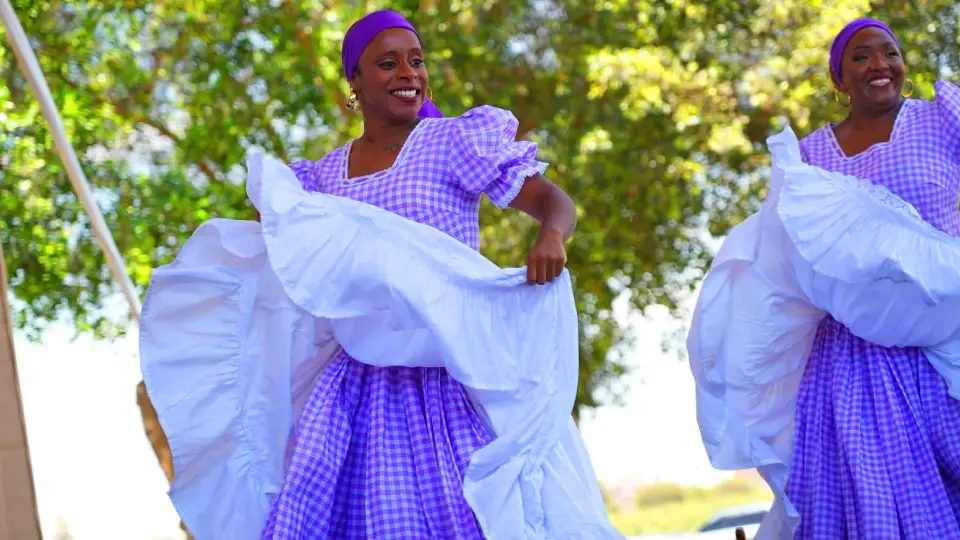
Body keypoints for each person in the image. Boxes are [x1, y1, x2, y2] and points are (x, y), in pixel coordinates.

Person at [140, 9, 622, 540]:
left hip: (450, 377)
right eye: (387, 63)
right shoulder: (321, 178)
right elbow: (280, 252)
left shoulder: (451, 144)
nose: (407, 73)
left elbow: (552, 202)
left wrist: (551, 235)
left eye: (416, 62)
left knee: (476, 512)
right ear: (356, 83)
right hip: (354, 390)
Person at [688, 17, 960, 539]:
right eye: (861, 56)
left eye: (890, 52)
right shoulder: (809, 157)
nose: (880, 64)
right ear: (840, 80)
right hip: (850, 360)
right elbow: (781, 261)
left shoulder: (941, 121)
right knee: (862, 498)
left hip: (939, 337)